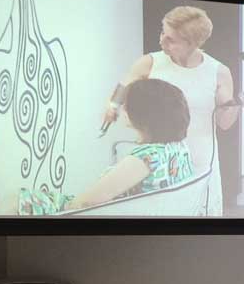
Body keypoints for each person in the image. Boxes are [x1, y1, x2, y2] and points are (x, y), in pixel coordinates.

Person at [103, 5, 244, 216]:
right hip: (159, 161)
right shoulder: (150, 63)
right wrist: (113, 106)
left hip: (200, 158)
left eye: (171, 40)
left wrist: (239, 104)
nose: (161, 41)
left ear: (194, 43)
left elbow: (224, 122)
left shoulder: (218, 72)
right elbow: (124, 85)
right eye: (162, 34)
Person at [14, 78, 194, 215]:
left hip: (92, 215)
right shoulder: (178, 148)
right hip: (116, 213)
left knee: (15, 201)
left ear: (143, 115)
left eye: (126, 105)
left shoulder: (146, 158)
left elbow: (85, 204)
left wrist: (62, 206)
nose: (122, 109)